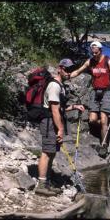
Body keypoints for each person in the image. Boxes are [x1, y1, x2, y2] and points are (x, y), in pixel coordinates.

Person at [35, 59, 85, 197]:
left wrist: (74, 107)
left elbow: (61, 108)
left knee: (52, 152)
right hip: (49, 123)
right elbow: (55, 110)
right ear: (59, 69)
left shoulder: (60, 86)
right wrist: (61, 129)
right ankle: (41, 185)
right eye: (66, 69)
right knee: (47, 152)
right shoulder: (54, 86)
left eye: (70, 69)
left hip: (53, 122)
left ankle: (47, 182)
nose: (68, 72)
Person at [68, 41, 110, 149]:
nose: (94, 55)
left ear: (100, 51)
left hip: (107, 92)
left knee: (103, 118)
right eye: (92, 53)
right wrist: (67, 76)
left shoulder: (108, 61)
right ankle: (105, 125)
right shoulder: (90, 62)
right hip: (95, 92)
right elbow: (78, 71)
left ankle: (104, 144)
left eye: (96, 53)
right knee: (92, 120)